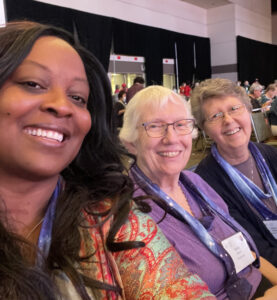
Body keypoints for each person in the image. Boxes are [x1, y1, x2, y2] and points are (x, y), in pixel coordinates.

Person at [0, 21, 215, 299]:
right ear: (131, 140)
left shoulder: (110, 217)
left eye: (77, 97)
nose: (62, 105)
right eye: (33, 84)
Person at [120, 85, 277, 300]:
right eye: (155, 126)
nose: (171, 138)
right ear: (130, 142)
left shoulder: (194, 182)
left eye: (180, 125)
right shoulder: (131, 216)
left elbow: (246, 253)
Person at [190, 78, 277, 268]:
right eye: (215, 115)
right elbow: (253, 248)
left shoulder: (272, 155)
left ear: (248, 111)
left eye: (234, 109)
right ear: (204, 128)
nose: (228, 120)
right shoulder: (206, 183)